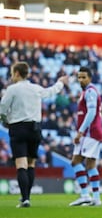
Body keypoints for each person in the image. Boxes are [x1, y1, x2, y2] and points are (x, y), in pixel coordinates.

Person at [0, 62, 68, 208]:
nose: (12, 76)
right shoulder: (36, 88)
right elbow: (51, 91)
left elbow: (2, 109)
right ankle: (27, 197)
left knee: (21, 164)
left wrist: (6, 121)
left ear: (17, 73)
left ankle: (24, 198)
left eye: (12, 73)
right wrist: (60, 83)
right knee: (31, 163)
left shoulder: (12, 89)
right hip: (34, 129)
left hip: (18, 128)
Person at [69, 66, 102, 206]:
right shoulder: (89, 91)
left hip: (90, 133)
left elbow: (91, 112)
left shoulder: (90, 91)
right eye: (79, 77)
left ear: (90, 78)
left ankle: (85, 195)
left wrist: (80, 131)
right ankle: (96, 198)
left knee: (75, 161)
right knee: (90, 164)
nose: (81, 80)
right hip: (96, 132)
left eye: (84, 77)